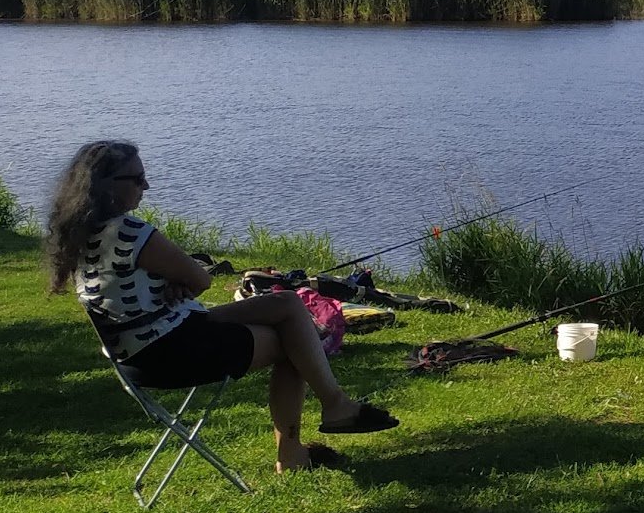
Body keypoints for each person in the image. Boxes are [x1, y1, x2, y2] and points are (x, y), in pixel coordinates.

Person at [46, 140, 398, 473]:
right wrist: (179, 280)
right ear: (107, 185)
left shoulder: (80, 233)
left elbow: (139, 282)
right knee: (294, 343)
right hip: (168, 351)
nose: (146, 186)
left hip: (136, 354)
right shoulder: (130, 232)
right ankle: (300, 445)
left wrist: (171, 281)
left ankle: (333, 406)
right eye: (137, 179)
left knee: (288, 304)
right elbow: (201, 279)